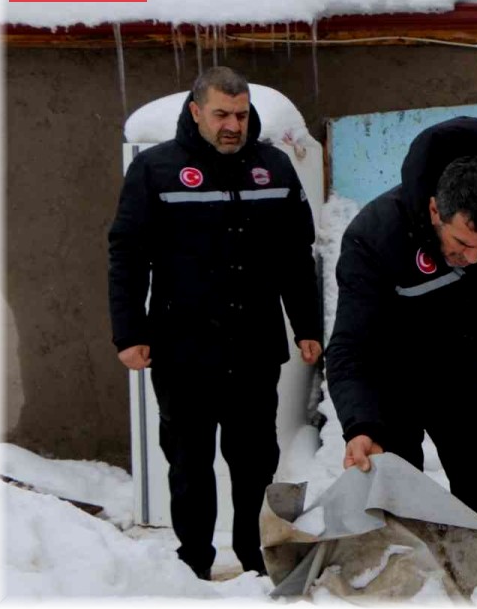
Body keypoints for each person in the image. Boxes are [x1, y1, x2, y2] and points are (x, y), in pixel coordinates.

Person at [108, 67, 323, 578]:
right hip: (183, 349)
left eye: (242, 115)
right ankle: (193, 565)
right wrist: (129, 331)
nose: (233, 125)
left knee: (254, 463)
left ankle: (254, 561)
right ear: (196, 112)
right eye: (223, 114)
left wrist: (307, 325)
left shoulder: (273, 168)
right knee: (189, 466)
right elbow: (128, 255)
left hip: (253, 346)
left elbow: (296, 255)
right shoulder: (155, 170)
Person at [326, 117, 477, 539]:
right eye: (462, 244)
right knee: (400, 496)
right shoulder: (374, 237)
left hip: (454, 365)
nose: (471, 258)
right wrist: (360, 425)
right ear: (435, 209)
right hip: (390, 371)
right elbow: (348, 347)